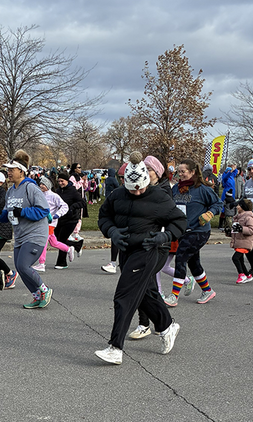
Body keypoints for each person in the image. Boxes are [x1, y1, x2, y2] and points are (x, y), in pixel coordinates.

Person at [95, 152, 186, 365]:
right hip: (127, 250)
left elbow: (180, 221)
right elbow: (103, 217)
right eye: (133, 189)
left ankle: (115, 348)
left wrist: (165, 235)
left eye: (141, 187)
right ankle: (166, 325)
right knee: (145, 292)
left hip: (149, 249)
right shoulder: (117, 195)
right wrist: (112, 232)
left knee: (124, 296)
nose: (138, 192)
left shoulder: (159, 196)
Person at [0, 150, 53, 309]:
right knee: (20, 267)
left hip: (36, 234)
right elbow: (9, 213)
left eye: (11, 170)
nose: (8, 172)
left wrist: (23, 212)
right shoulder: (10, 191)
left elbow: (43, 211)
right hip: (20, 236)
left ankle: (44, 290)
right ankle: (37, 296)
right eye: (8, 170)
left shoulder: (31, 188)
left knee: (23, 266)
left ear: (21, 171)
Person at [164, 158, 223, 306]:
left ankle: (174, 296)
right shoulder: (176, 188)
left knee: (181, 257)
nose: (180, 174)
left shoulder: (203, 189)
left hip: (199, 231)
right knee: (194, 263)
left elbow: (218, 203)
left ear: (192, 172)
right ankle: (208, 291)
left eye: (183, 172)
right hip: (183, 231)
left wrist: (209, 213)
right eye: (179, 172)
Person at [37, 177, 74, 269]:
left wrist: (57, 214)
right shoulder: (39, 195)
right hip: (41, 222)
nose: (41, 186)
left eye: (43, 184)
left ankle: (42, 263)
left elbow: (65, 206)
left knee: (43, 241)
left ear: (48, 186)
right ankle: (68, 249)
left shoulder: (54, 196)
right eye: (40, 184)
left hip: (50, 223)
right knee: (53, 243)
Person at [53, 172, 84, 270]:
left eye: (62, 181)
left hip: (71, 219)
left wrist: (72, 208)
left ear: (67, 181)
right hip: (59, 219)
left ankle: (61, 262)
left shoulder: (73, 191)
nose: (60, 183)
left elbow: (82, 202)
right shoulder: (57, 191)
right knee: (57, 240)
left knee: (62, 239)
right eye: (59, 181)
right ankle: (76, 245)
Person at [228, 199, 253, 284]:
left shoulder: (248, 217)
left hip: (245, 242)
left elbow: (252, 230)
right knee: (240, 260)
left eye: (239, 205)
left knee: (235, 258)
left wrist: (242, 229)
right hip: (239, 241)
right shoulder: (238, 217)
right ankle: (247, 275)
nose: (237, 207)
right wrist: (229, 232)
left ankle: (241, 274)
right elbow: (235, 231)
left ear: (243, 207)